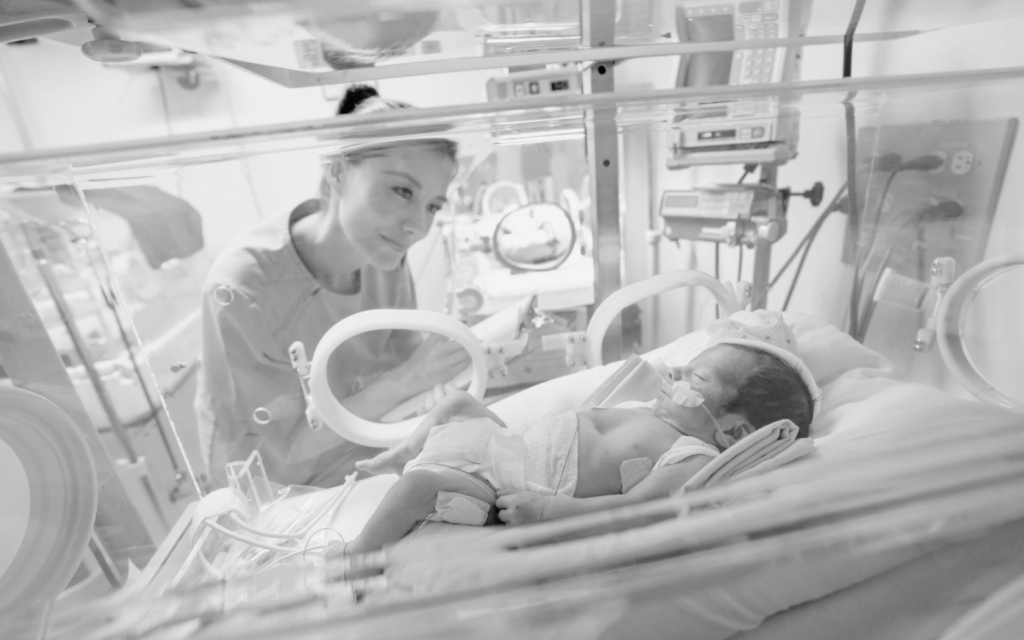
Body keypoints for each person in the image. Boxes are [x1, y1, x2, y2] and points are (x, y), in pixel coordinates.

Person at [344, 311, 819, 554]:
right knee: (456, 402)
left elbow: (636, 512)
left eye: (696, 379)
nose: (674, 372)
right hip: (510, 444)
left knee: (419, 487)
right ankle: (401, 450)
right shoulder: (654, 410)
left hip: (517, 486)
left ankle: (358, 556)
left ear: (734, 431)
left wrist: (552, 511)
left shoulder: (688, 454)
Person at [195, 86, 470, 489]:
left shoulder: (384, 255)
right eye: (402, 191)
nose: (418, 226)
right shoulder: (244, 289)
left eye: (432, 205)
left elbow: (403, 363)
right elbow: (284, 446)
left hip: (359, 451)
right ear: (338, 170)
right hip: (273, 491)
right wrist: (410, 378)